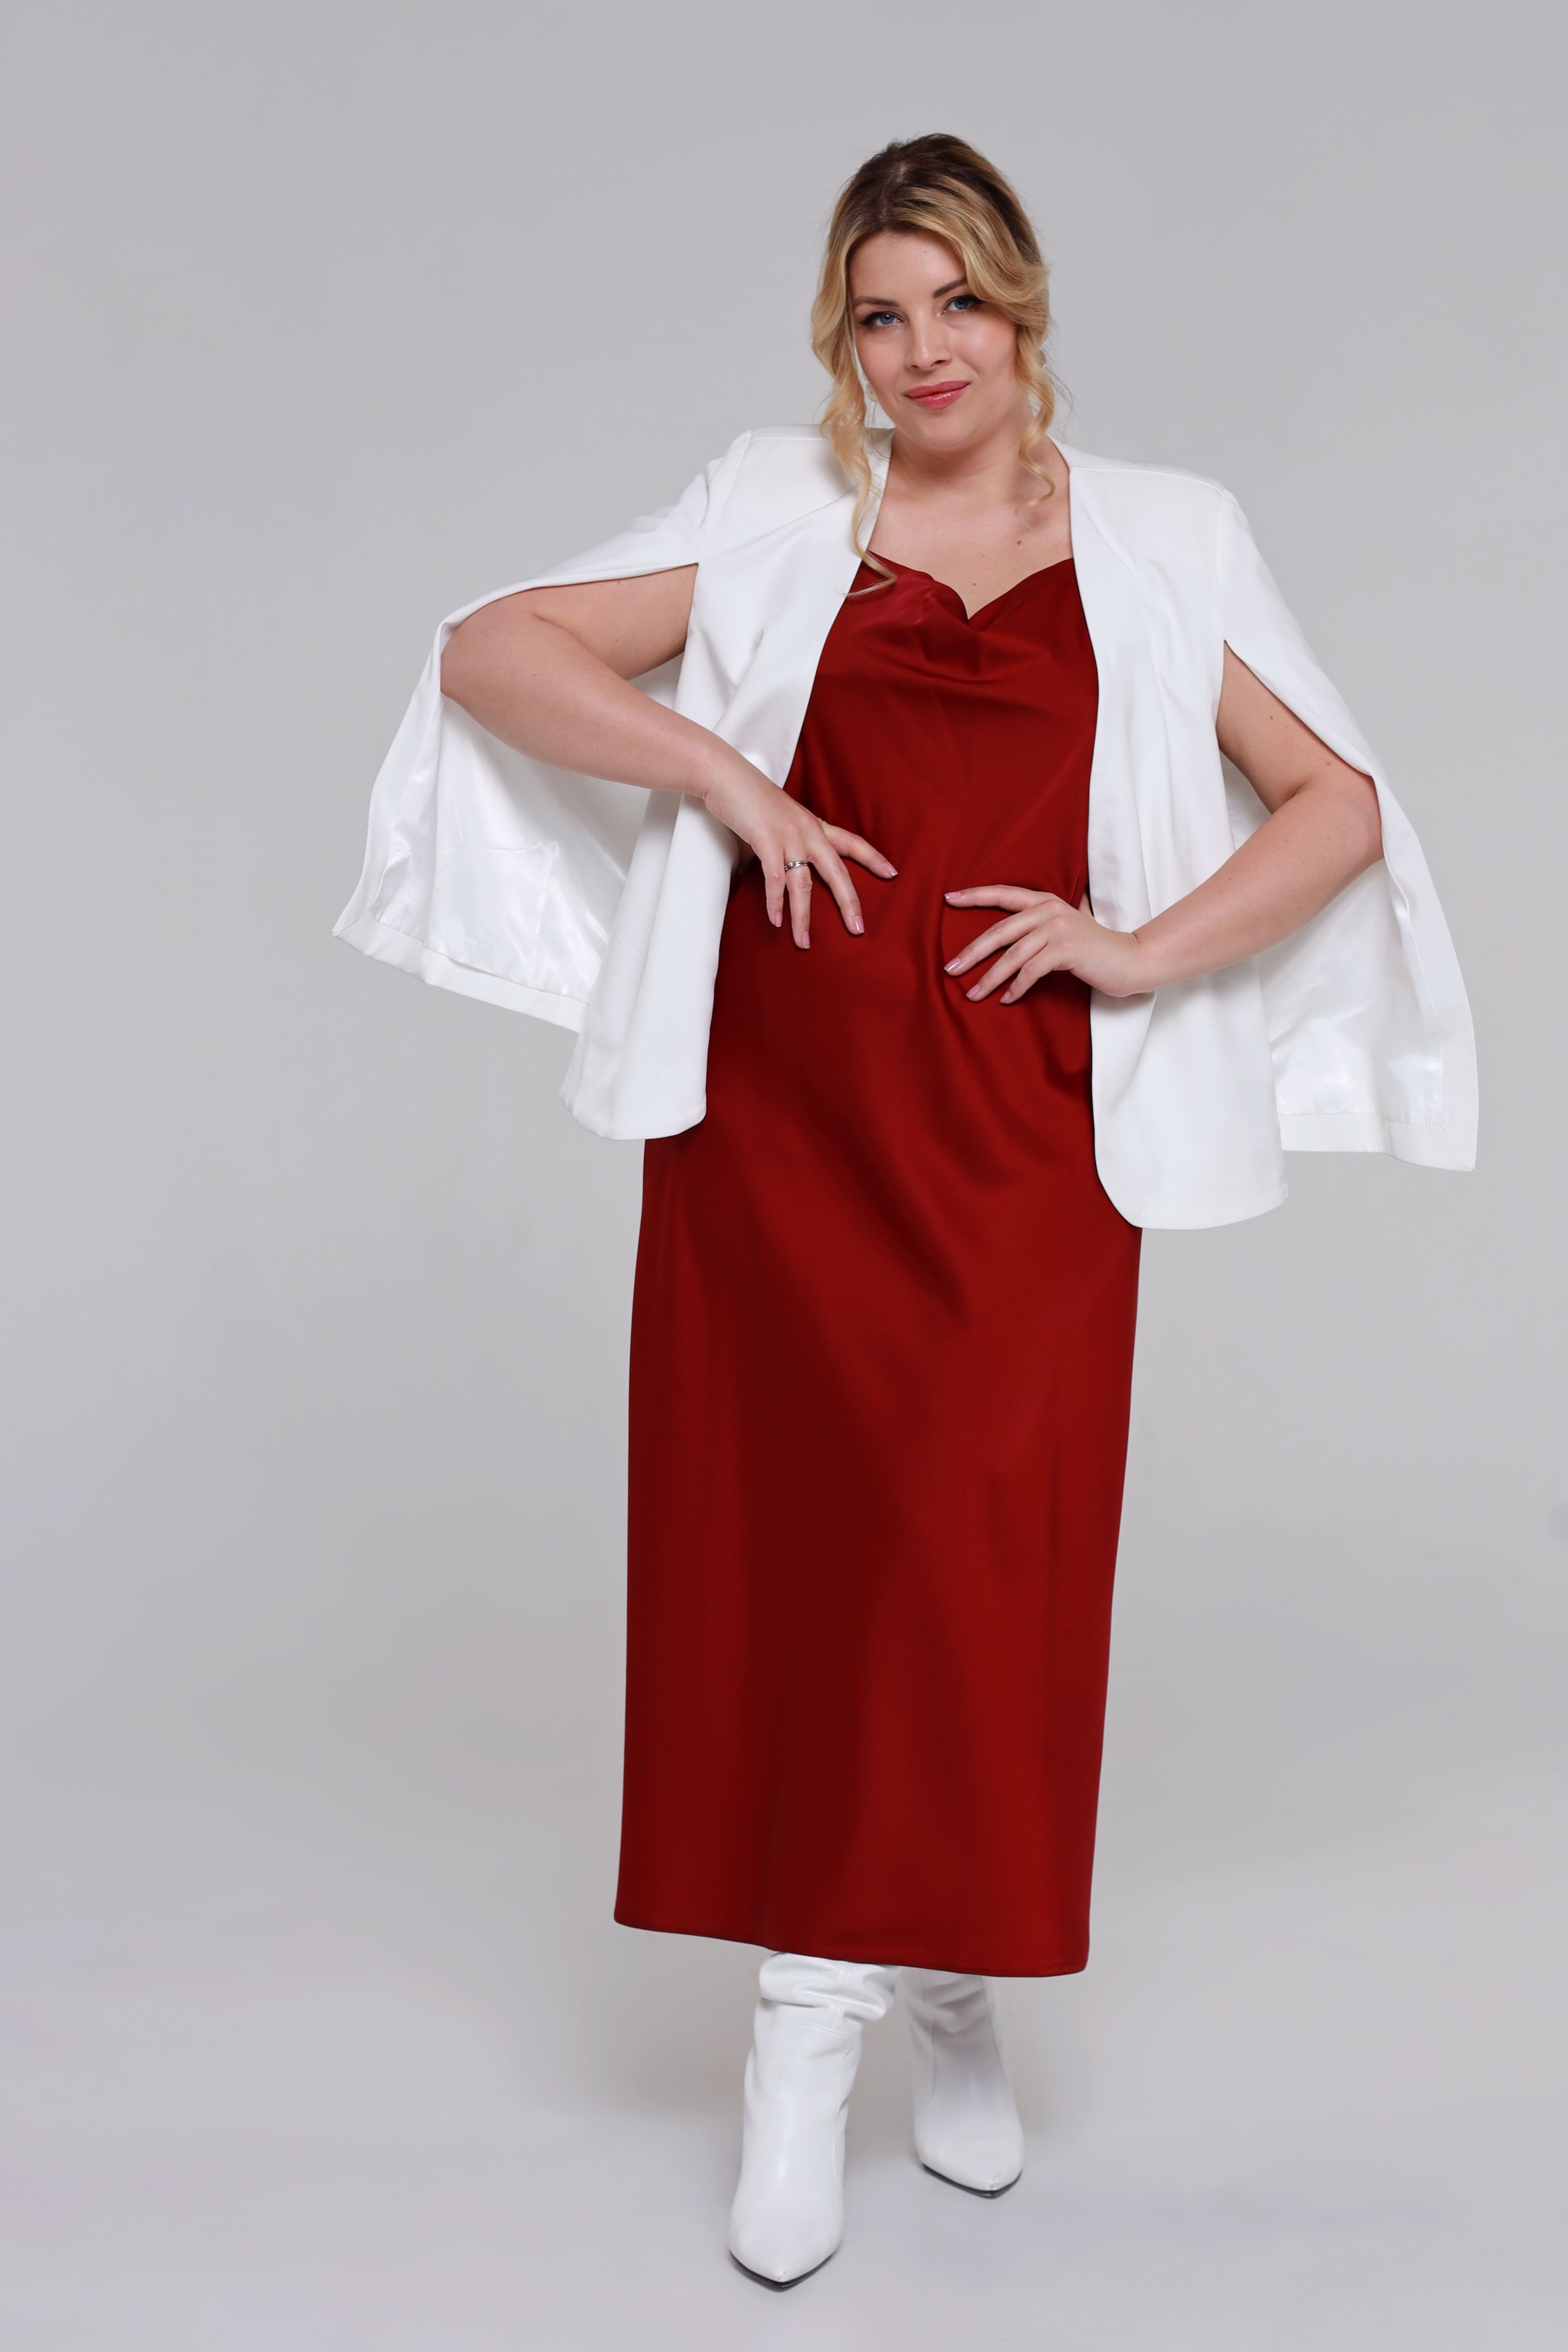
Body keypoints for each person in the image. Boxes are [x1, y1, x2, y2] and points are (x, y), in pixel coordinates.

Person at [336, 134, 1476, 2287]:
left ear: (1022, 310)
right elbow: (494, 651)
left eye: (955, 301)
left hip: (1024, 1135)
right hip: (779, 1124)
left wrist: (1140, 949)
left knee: (972, 1561)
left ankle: (918, 1987)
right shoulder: (778, 507)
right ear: (839, 342)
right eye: (879, 314)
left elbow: (1334, 806)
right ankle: (838, 2016)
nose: (922, 348)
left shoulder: (1160, 534)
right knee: (798, 1553)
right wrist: (720, 773)